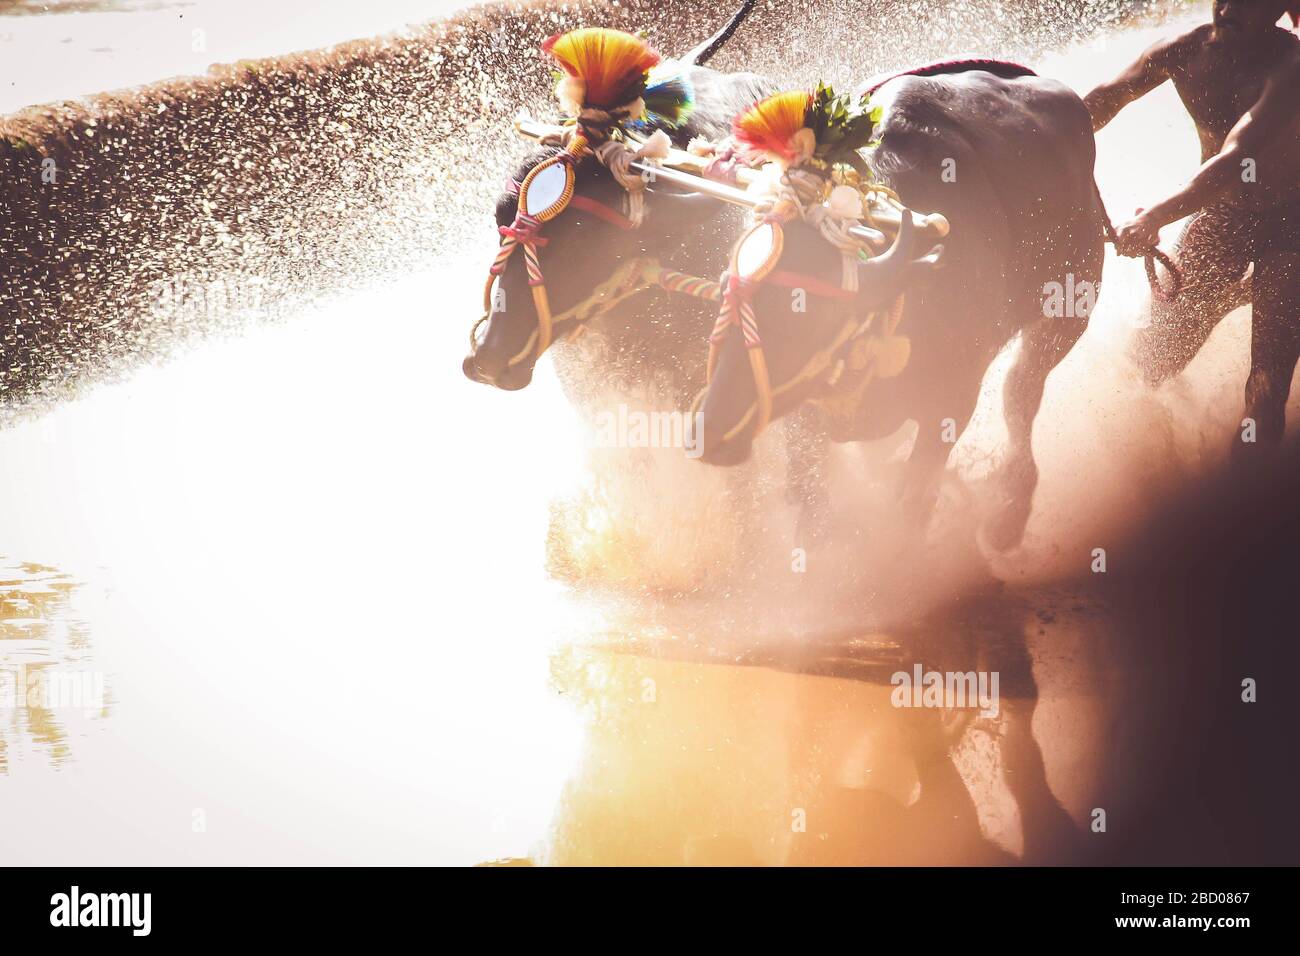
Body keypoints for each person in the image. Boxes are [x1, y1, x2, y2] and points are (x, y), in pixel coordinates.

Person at [1084, 1, 1300, 459]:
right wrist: (1051, 141)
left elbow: (1234, 160)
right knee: (1148, 361)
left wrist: (1153, 218)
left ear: (1281, 11)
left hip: (1292, 225)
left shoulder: (1292, 66)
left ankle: (1243, 508)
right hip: (1222, 219)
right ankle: (1230, 299)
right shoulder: (1185, 49)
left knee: (1265, 386)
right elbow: (1104, 99)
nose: (1231, 7)